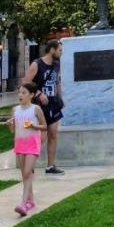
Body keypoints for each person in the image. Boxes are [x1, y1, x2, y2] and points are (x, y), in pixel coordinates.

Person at [24, 40, 66, 174]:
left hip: (53, 103)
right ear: (52, 50)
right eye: (59, 50)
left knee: (53, 134)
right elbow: (26, 82)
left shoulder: (56, 65)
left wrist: (60, 98)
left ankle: (50, 165)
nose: (61, 53)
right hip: (39, 104)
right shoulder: (37, 64)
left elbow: (57, 81)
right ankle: (29, 164)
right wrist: (39, 93)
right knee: (40, 137)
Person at [7, 83, 48, 216]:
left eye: (24, 93)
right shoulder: (15, 110)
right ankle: (31, 201)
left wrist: (34, 127)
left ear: (31, 95)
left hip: (32, 143)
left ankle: (23, 204)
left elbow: (44, 126)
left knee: (27, 172)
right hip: (19, 143)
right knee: (25, 174)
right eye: (19, 92)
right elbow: (13, 130)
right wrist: (10, 124)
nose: (21, 95)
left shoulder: (36, 109)